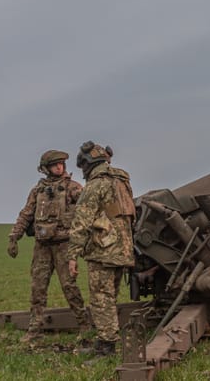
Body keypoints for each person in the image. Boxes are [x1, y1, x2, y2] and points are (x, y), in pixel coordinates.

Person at [8, 150, 91, 343]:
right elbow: (26, 214)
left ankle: (84, 325)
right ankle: (34, 329)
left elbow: (88, 209)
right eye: (55, 165)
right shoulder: (38, 191)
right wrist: (14, 236)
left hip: (64, 245)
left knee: (69, 287)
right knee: (38, 288)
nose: (59, 167)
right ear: (46, 168)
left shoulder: (72, 188)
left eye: (61, 164)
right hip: (42, 247)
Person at [67, 141, 135, 356]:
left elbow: (81, 221)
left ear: (87, 164)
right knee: (110, 296)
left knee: (101, 299)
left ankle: (106, 348)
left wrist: (72, 255)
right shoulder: (122, 181)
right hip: (123, 248)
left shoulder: (96, 185)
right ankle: (107, 340)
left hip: (103, 250)